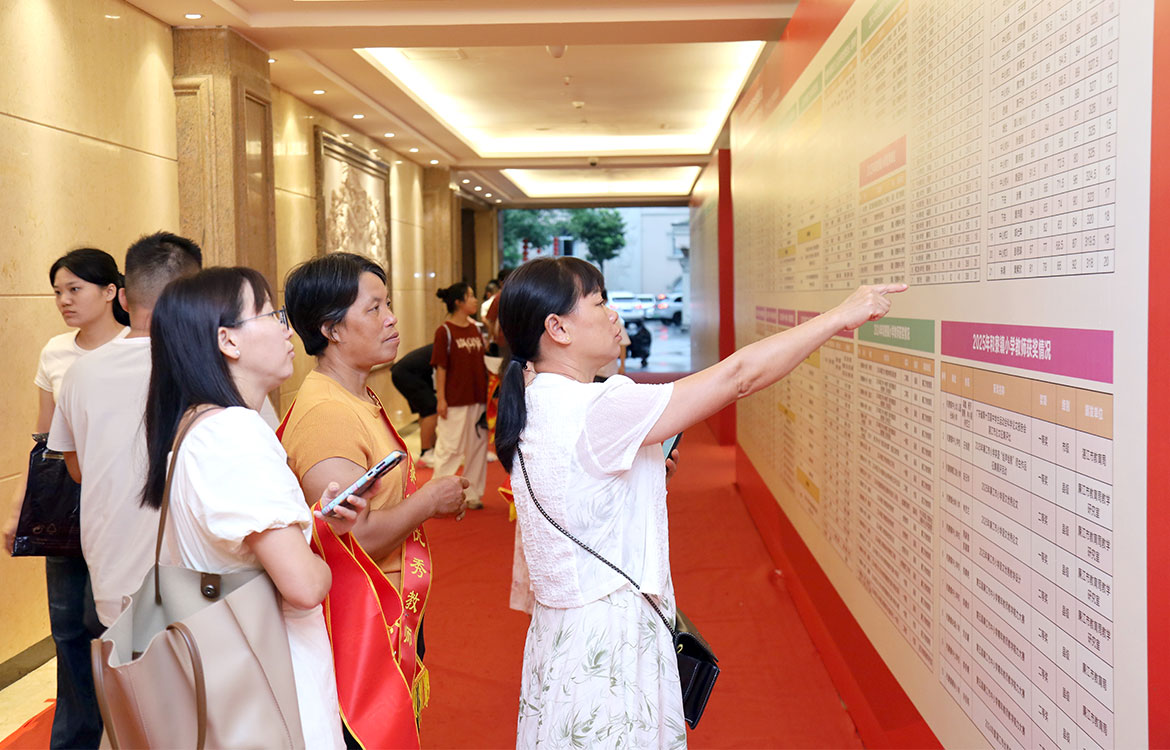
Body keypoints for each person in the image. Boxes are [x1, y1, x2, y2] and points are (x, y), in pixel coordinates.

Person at [494, 256, 905, 747]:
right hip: (611, 638)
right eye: (600, 303)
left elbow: (579, 496)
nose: (613, 314)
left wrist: (645, 472)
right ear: (557, 328)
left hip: (561, 636)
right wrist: (839, 316)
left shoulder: (535, 400)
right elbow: (739, 377)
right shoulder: (599, 407)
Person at [142, 267, 367, 749]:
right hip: (272, 683)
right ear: (228, 340)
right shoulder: (234, 434)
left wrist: (313, 523)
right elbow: (304, 586)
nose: (288, 330)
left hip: (239, 678)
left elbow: (240, 547)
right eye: (271, 314)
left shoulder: (199, 425)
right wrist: (320, 563)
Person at [281, 252, 468, 748]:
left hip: (391, 610)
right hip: (363, 625)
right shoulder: (327, 414)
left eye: (387, 304)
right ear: (331, 330)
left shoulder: (356, 396)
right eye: (374, 308)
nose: (391, 318)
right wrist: (430, 500)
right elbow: (354, 538)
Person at [2, 248, 128, 749]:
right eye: (58, 291)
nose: (64, 300)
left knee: (116, 624)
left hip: (121, 506)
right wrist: (19, 507)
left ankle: (130, 729)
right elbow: (44, 441)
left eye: (75, 289)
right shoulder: (55, 352)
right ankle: (75, 739)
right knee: (69, 628)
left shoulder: (138, 347)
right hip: (63, 508)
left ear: (111, 291)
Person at [48, 232, 202, 636]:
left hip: (112, 573)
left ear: (121, 297)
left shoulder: (79, 373)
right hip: (202, 578)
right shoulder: (213, 368)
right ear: (194, 299)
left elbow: (77, 469)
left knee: (126, 670)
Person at [431, 282, 489, 510]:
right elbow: (441, 368)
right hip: (455, 399)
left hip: (478, 398)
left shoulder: (476, 328)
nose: (475, 300)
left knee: (477, 448)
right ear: (458, 302)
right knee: (450, 448)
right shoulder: (444, 331)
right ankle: (436, 496)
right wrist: (441, 399)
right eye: (470, 296)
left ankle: (473, 494)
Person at [390, 344, 438, 468]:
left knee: (427, 411)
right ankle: (426, 452)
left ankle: (432, 449)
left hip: (406, 373)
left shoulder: (442, 345)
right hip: (407, 375)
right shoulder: (446, 346)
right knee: (431, 411)